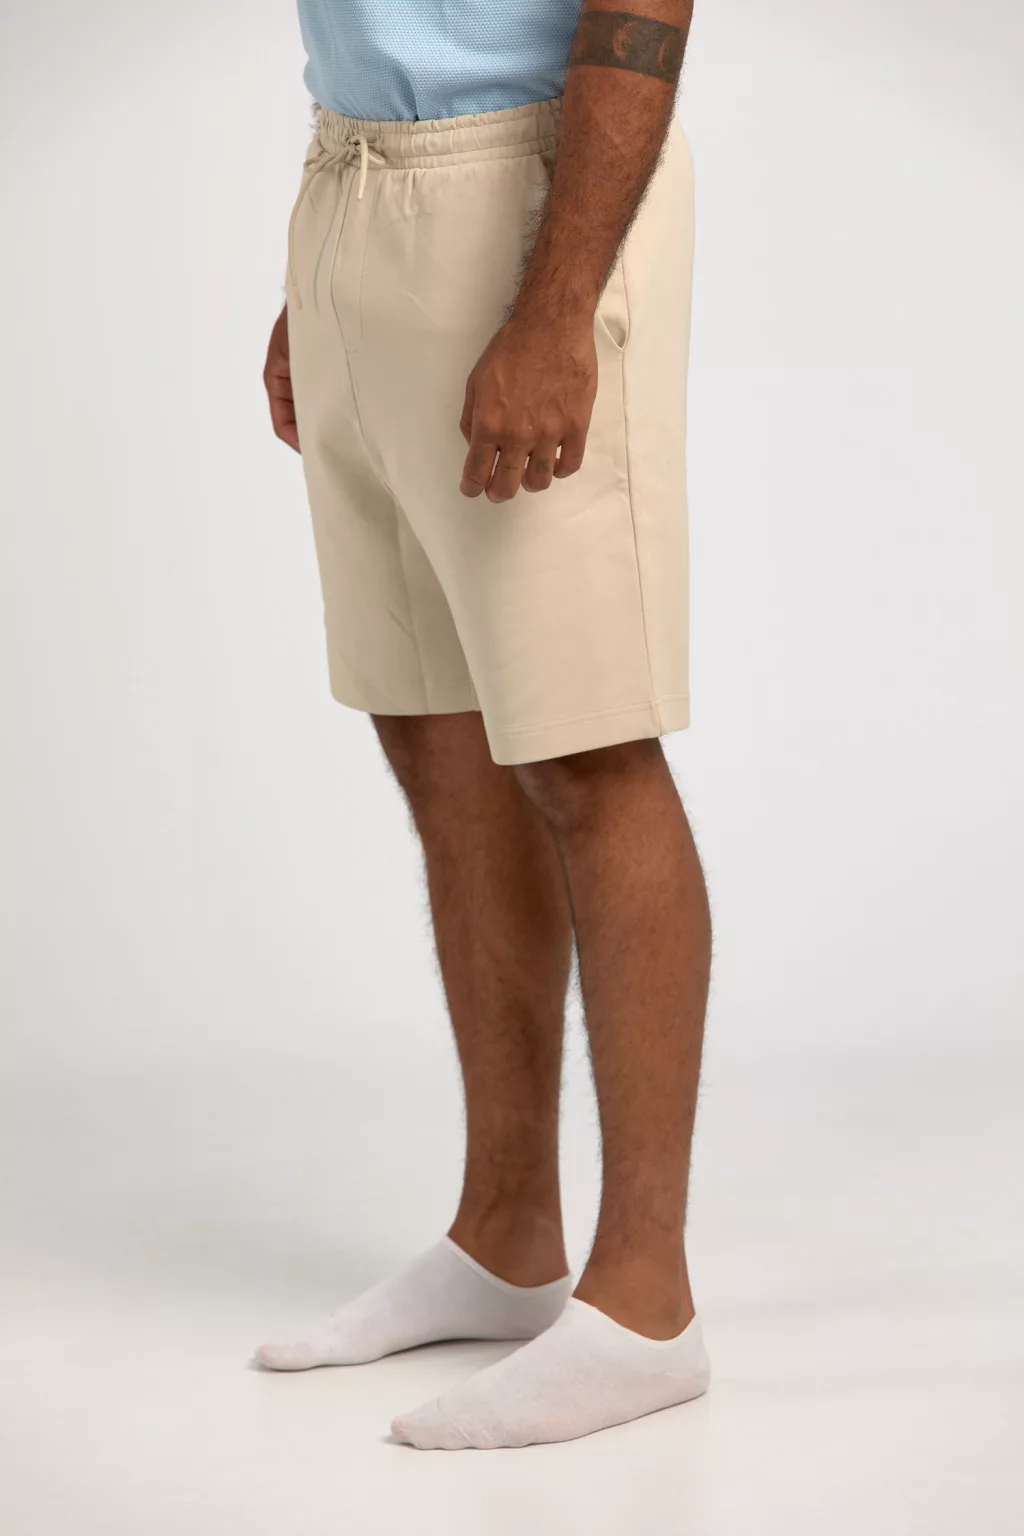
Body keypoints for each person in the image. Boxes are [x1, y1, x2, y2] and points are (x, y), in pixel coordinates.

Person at [256, 0, 711, 1450]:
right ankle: (506, 1236)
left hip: (528, 192)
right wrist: (332, 282)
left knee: (586, 742)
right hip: (350, 174)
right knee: (435, 733)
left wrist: (556, 303)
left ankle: (646, 1306)